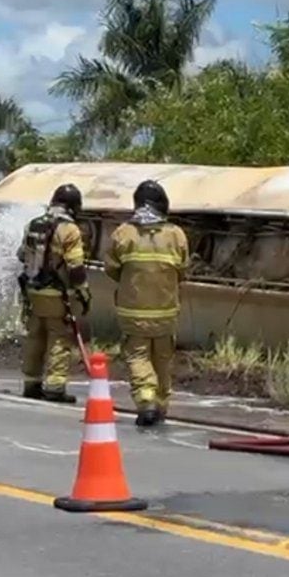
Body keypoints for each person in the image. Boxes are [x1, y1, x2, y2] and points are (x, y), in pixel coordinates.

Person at [105, 180, 189, 427]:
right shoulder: (176, 234)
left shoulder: (123, 233)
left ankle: (146, 401)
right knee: (163, 358)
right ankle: (161, 406)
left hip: (133, 313)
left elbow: (112, 269)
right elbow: (182, 270)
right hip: (167, 313)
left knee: (138, 357)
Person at [16, 183, 91, 403]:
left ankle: (31, 383)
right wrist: (83, 293)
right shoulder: (70, 230)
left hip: (32, 291)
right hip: (56, 293)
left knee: (35, 336)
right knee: (59, 338)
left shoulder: (33, 224)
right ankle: (56, 387)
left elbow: (22, 255)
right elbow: (75, 266)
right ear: (72, 206)